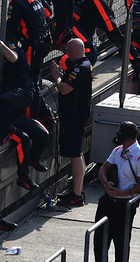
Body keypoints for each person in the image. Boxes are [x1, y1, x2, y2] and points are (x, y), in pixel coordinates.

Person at [0, 31, 47, 191]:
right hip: (9, 111)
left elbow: (13, 56)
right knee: (23, 139)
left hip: (20, 97)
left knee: (42, 133)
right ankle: (24, 176)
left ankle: (32, 159)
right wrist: (0, 76)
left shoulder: (15, 52)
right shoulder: (8, 65)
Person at [94, 121, 140, 262]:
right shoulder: (118, 150)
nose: (117, 136)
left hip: (124, 206)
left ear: (127, 135)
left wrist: (122, 193)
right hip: (107, 202)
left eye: (119, 133)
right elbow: (102, 170)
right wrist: (106, 183)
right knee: (99, 242)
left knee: (121, 245)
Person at [50, 38, 93, 207]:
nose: (66, 53)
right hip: (76, 116)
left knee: (75, 155)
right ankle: (77, 190)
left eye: (68, 50)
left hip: (74, 117)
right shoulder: (83, 64)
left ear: (73, 50)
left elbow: (64, 88)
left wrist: (57, 77)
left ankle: (76, 194)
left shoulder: (80, 68)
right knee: (78, 153)